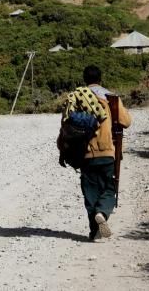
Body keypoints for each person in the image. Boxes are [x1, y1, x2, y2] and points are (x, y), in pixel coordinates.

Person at [57, 65, 132, 241]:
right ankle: (103, 213)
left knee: (90, 193)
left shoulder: (75, 98)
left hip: (84, 154)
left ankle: (95, 233)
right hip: (107, 151)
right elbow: (126, 122)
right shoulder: (111, 98)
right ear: (100, 79)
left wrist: (62, 150)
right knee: (109, 188)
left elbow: (64, 128)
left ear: (84, 79)